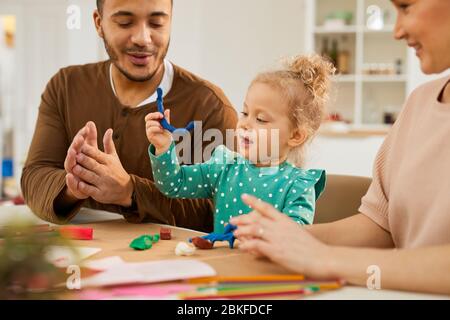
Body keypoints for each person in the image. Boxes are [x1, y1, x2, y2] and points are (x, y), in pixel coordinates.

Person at [231, 0, 450, 295]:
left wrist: (325, 258)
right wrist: (286, 239)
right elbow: (380, 227)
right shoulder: (419, 104)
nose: (396, 31)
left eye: (406, 7)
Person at [20, 0, 237, 232]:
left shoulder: (209, 106)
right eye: (125, 22)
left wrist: (130, 191)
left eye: (157, 23)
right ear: (98, 23)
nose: (143, 38)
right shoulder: (65, 87)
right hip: (80, 262)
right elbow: (35, 175)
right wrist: (74, 187)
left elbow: (219, 211)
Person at [144, 55, 333, 232]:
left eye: (260, 119)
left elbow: (296, 238)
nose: (245, 123)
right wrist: (164, 148)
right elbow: (173, 184)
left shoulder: (298, 186)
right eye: (245, 113)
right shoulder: (223, 167)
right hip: (224, 266)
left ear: (296, 136)